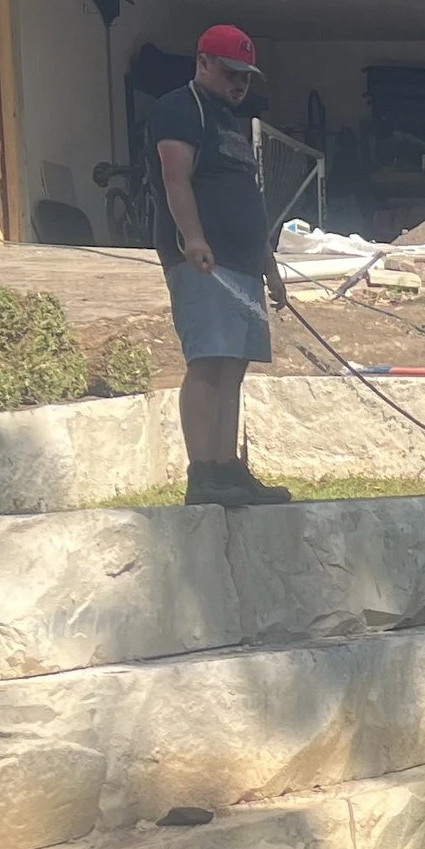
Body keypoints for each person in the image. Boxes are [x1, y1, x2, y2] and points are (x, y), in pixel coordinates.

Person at [148, 27, 293, 506]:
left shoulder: (230, 121)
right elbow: (176, 179)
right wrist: (193, 238)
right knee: (208, 363)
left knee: (234, 366)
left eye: (245, 77)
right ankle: (203, 471)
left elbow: (245, 198)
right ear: (204, 61)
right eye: (231, 73)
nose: (238, 85)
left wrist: (268, 266)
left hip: (244, 262)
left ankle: (228, 468)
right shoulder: (180, 108)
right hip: (205, 261)